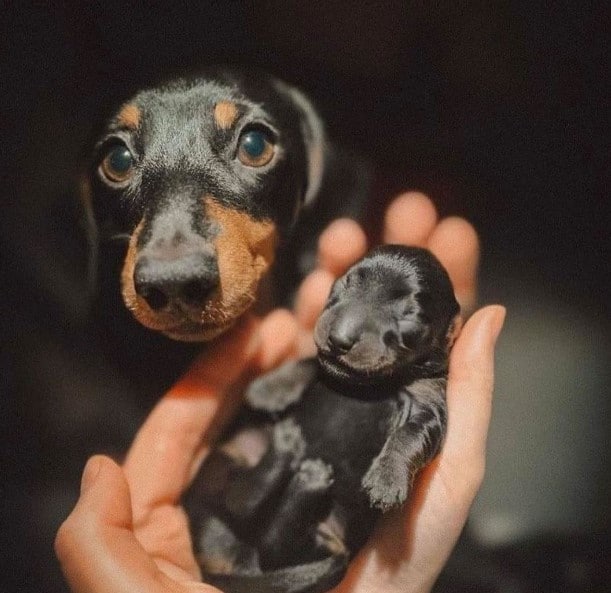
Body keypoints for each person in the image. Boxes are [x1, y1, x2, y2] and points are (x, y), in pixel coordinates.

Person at [54, 192, 505, 593]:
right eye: (347, 289)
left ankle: (285, 508)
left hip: (308, 531)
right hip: (229, 504)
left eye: (405, 322)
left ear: (448, 336)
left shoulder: (422, 390)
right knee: (238, 457)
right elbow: (310, 371)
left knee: (319, 545)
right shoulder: (327, 358)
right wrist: (291, 377)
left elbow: (425, 425)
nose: (344, 330)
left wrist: (398, 459)